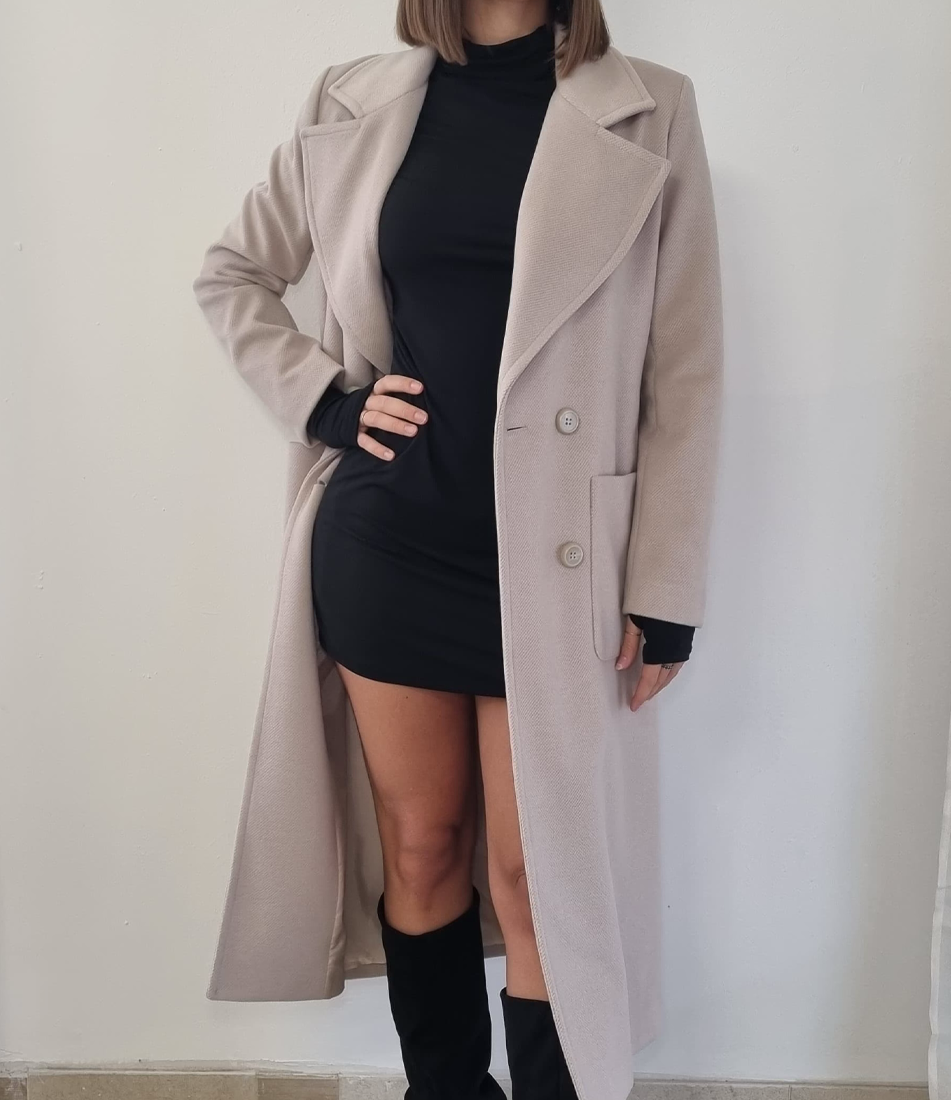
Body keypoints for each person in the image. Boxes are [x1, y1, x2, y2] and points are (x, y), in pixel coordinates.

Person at [192, 1, 724, 1097]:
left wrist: (666, 585)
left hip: (558, 565)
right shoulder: (355, 97)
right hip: (391, 542)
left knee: (537, 877)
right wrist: (328, 401)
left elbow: (684, 368)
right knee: (421, 843)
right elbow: (232, 272)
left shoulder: (651, 109)